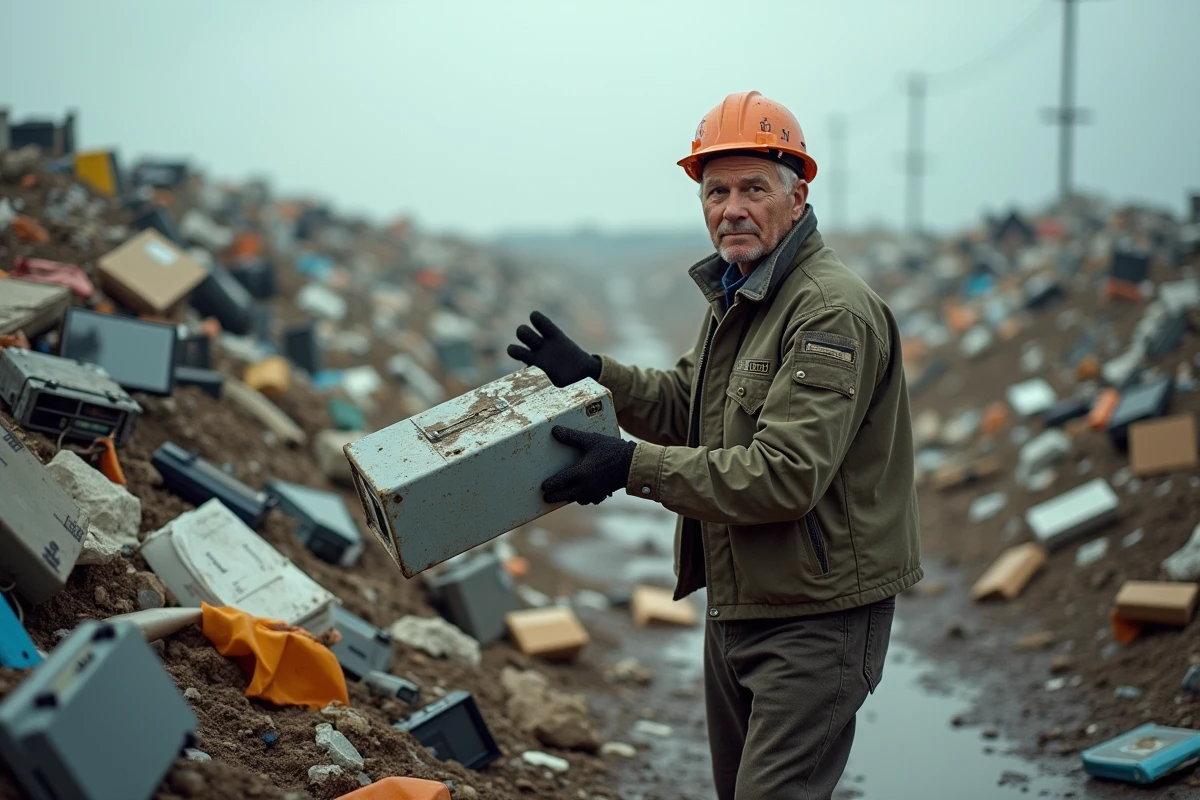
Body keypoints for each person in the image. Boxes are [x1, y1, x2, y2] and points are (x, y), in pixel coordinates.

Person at [507, 90, 921, 800]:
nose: (731, 208)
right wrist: (597, 375)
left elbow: (783, 476)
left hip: (816, 619)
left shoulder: (827, 311)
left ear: (798, 197)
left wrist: (629, 466)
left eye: (753, 188)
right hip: (741, 605)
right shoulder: (740, 297)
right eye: (716, 190)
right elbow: (684, 404)